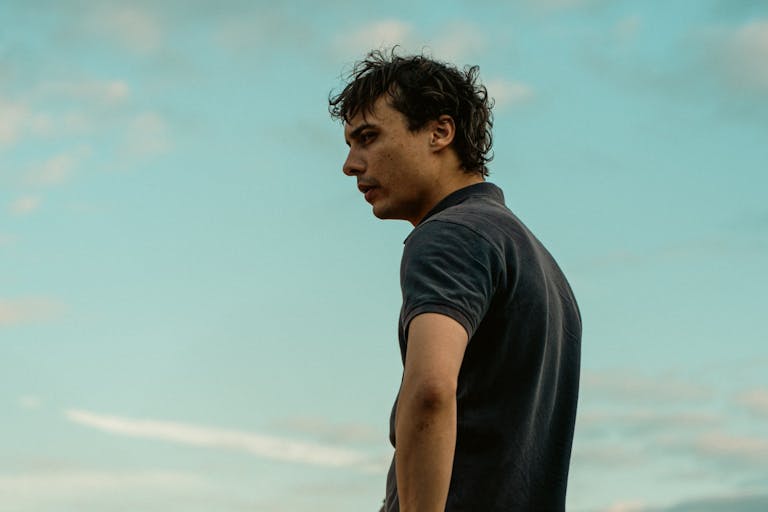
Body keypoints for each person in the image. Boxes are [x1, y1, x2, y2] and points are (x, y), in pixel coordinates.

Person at [329, 49, 581, 512]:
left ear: (439, 132)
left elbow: (429, 390)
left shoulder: (449, 235)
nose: (350, 164)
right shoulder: (535, 258)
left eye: (367, 137)